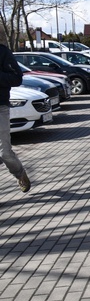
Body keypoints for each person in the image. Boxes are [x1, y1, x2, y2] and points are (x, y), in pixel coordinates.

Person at [0, 44, 31, 193]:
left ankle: (19, 173)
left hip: (0, 108)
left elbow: (16, 78)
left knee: (4, 153)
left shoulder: (3, 51)